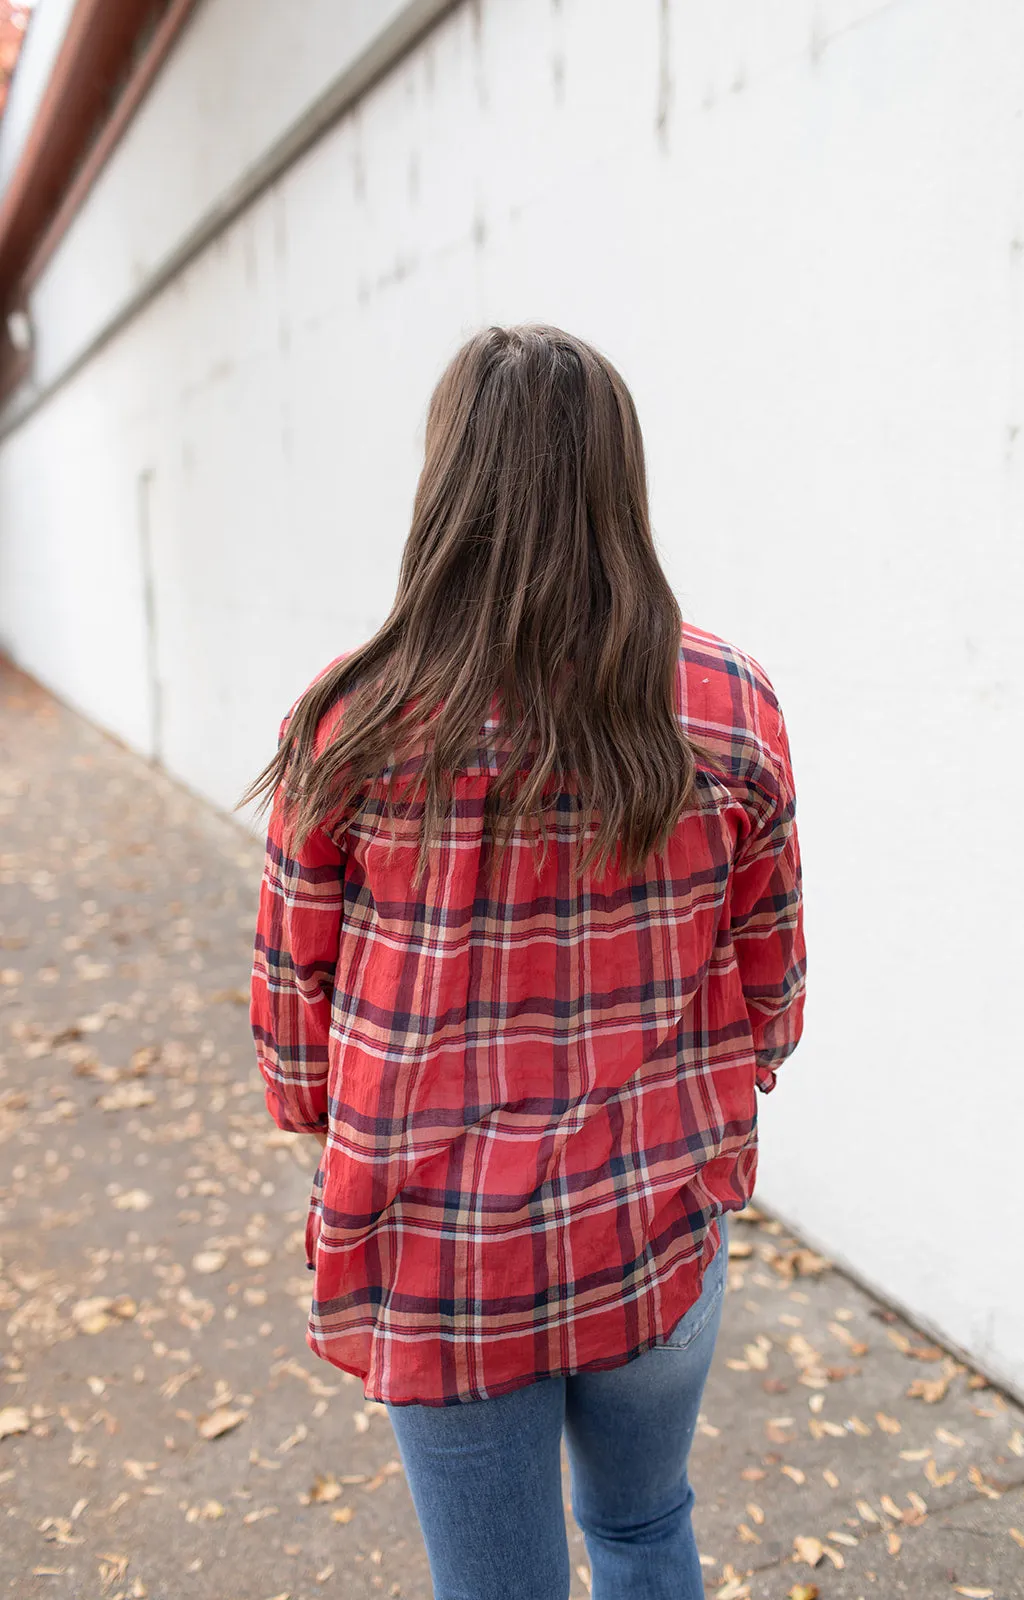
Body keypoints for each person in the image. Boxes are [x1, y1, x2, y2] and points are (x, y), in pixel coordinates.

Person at [243, 324, 805, 1600]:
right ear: (621, 484)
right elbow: (771, 1001)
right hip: (656, 1226)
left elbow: (291, 1039)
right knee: (644, 1527)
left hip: (445, 1261)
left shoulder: (351, 719)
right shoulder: (728, 703)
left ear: (448, 488)